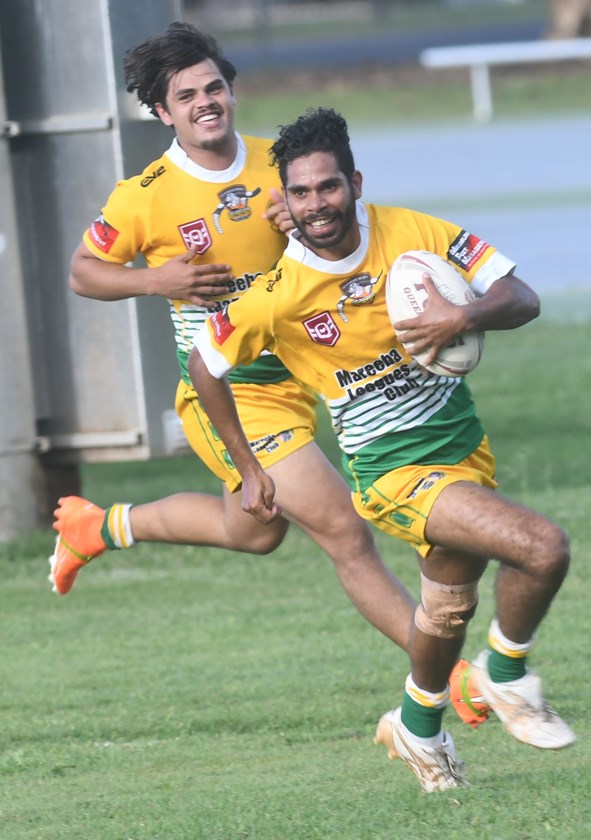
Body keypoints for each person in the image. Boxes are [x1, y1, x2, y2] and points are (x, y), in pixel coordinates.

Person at [48, 22, 482, 714]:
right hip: (224, 387)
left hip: (300, 380)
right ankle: (448, 680)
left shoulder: (280, 166)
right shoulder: (145, 194)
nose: (204, 102)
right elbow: (82, 272)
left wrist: (303, 228)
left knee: (253, 531)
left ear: (230, 90)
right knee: (345, 530)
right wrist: (157, 280)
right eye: (185, 95)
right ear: (163, 113)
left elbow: (342, 241)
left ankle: (99, 528)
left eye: (213, 86)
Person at [187, 106, 576, 792]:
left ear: (354, 182)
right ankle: (507, 675)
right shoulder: (278, 295)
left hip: (462, 450)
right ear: (287, 199)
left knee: (447, 610)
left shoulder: (413, 233)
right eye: (301, 193)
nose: (316, 205)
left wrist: (463, 314)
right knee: (541, 547)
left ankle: (416, 728)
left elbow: (521, 295)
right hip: (391, 472)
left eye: (328, 187)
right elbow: (204, 363)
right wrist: (246, 467)